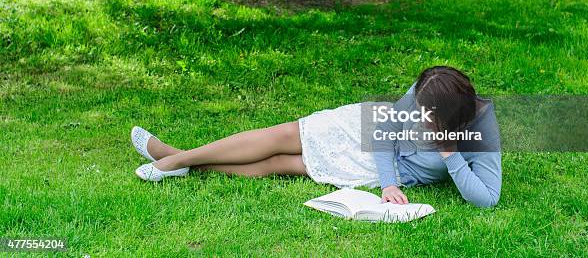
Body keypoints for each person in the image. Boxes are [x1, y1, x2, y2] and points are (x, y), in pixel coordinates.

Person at [132, 66, 502, 208]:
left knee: (285, 164)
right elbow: (385, 129)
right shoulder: (429, 89)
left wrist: (451, 154)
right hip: (363, 128)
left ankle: (182, 161)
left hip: (383, 166)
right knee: (282, 135)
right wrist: (388, 181)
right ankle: (178, 158)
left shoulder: (481, 132)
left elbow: (487, 199)